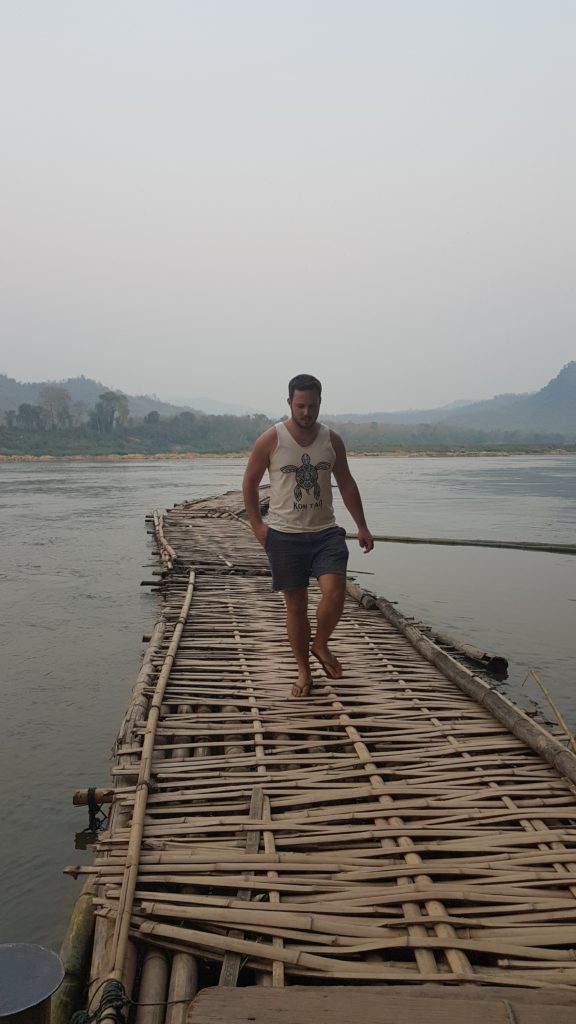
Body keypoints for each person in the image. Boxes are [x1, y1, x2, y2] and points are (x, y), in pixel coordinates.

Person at [242, 373, 374, 697]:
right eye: (300, 406)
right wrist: (258, 527)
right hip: (284, 536)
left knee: (335, 591)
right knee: (296, 605)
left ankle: (322, 644)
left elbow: (345, 483)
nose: (306, 412)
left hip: (325, 532)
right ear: (289, 403)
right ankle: (303, 672)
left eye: (311, 406)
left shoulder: (332, 441)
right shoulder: (270, 440)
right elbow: (248, 483)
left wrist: (362, 525)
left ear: (319, 404)